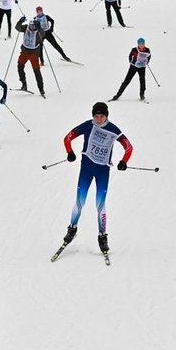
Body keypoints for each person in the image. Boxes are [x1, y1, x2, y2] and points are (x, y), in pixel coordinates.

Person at [61, 102, 133, 255]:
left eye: (102, 116)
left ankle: (102, 236)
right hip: (86, 169)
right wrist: (69, 152)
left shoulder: (113, 130)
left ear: (106, 116)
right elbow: (67, 138)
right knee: (79, 201)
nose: (99, 119)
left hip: (102, 171)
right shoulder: (88, 125)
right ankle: (72, 229)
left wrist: (124, 162)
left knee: (100, 205)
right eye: (96, 116)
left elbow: (129, 147)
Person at [109, 38, 150, 102]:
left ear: (144, 44)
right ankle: (118, 95)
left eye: (142, 44)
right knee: (127, 80)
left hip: (142, 67)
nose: (141, 45)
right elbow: (130, 57)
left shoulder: (147, 50)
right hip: (133, 67)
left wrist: (146, 61)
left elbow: (149, 57)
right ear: (138, 44)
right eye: (140, 44)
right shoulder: (134, 49)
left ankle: (142, 94)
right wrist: (133, 62)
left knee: (142, 80)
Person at [14, 16, 46, 97]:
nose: (32, 27)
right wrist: (20, 21)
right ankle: (24, 84)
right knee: (20, 67)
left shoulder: (38, 32)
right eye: (31, 25)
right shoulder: (25, 28)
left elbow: (43, 33)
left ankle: (41, 89)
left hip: (34, 54)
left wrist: (39, 26)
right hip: (24, 52)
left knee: (37, 72)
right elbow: (17, 28)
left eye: (33, 26)